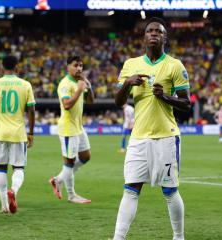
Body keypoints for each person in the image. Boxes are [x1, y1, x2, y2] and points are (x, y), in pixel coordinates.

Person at [113, 18, 191, 240]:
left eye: (159, 31)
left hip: (166, 137)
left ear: (165, 38)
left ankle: (178, 237)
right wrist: (128, 83)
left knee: (170, 190)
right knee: (130, 188)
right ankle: (118, 238)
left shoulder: (175, 65)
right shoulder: (131, 65)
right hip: (138, 138)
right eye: (150, 31)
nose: (154, 33)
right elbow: (118, 102)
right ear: (144, 37)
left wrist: (165, 96)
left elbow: (187, 104)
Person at [0, 55, 36, 214]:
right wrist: (31, 132)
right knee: (19, 168)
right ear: (17, 67)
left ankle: (4, 206)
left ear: (3, 68)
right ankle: (14, 190)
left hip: (0, 132)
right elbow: (31, 109)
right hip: (18, 133)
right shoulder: (25, 85)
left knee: (1, 168)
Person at [49, 56, 94, 204]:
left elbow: (91, 101)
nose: (79, 68)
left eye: (81, 65)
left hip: (78, 127)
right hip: (68, 129)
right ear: (68, 66)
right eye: (76, 65)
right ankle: (71, 194)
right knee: (69, 162)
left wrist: (87, 84)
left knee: (86, 156)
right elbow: (67, 104)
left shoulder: (80, 82)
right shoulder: (65, 84)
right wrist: (80, 89)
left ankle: (58, 179)